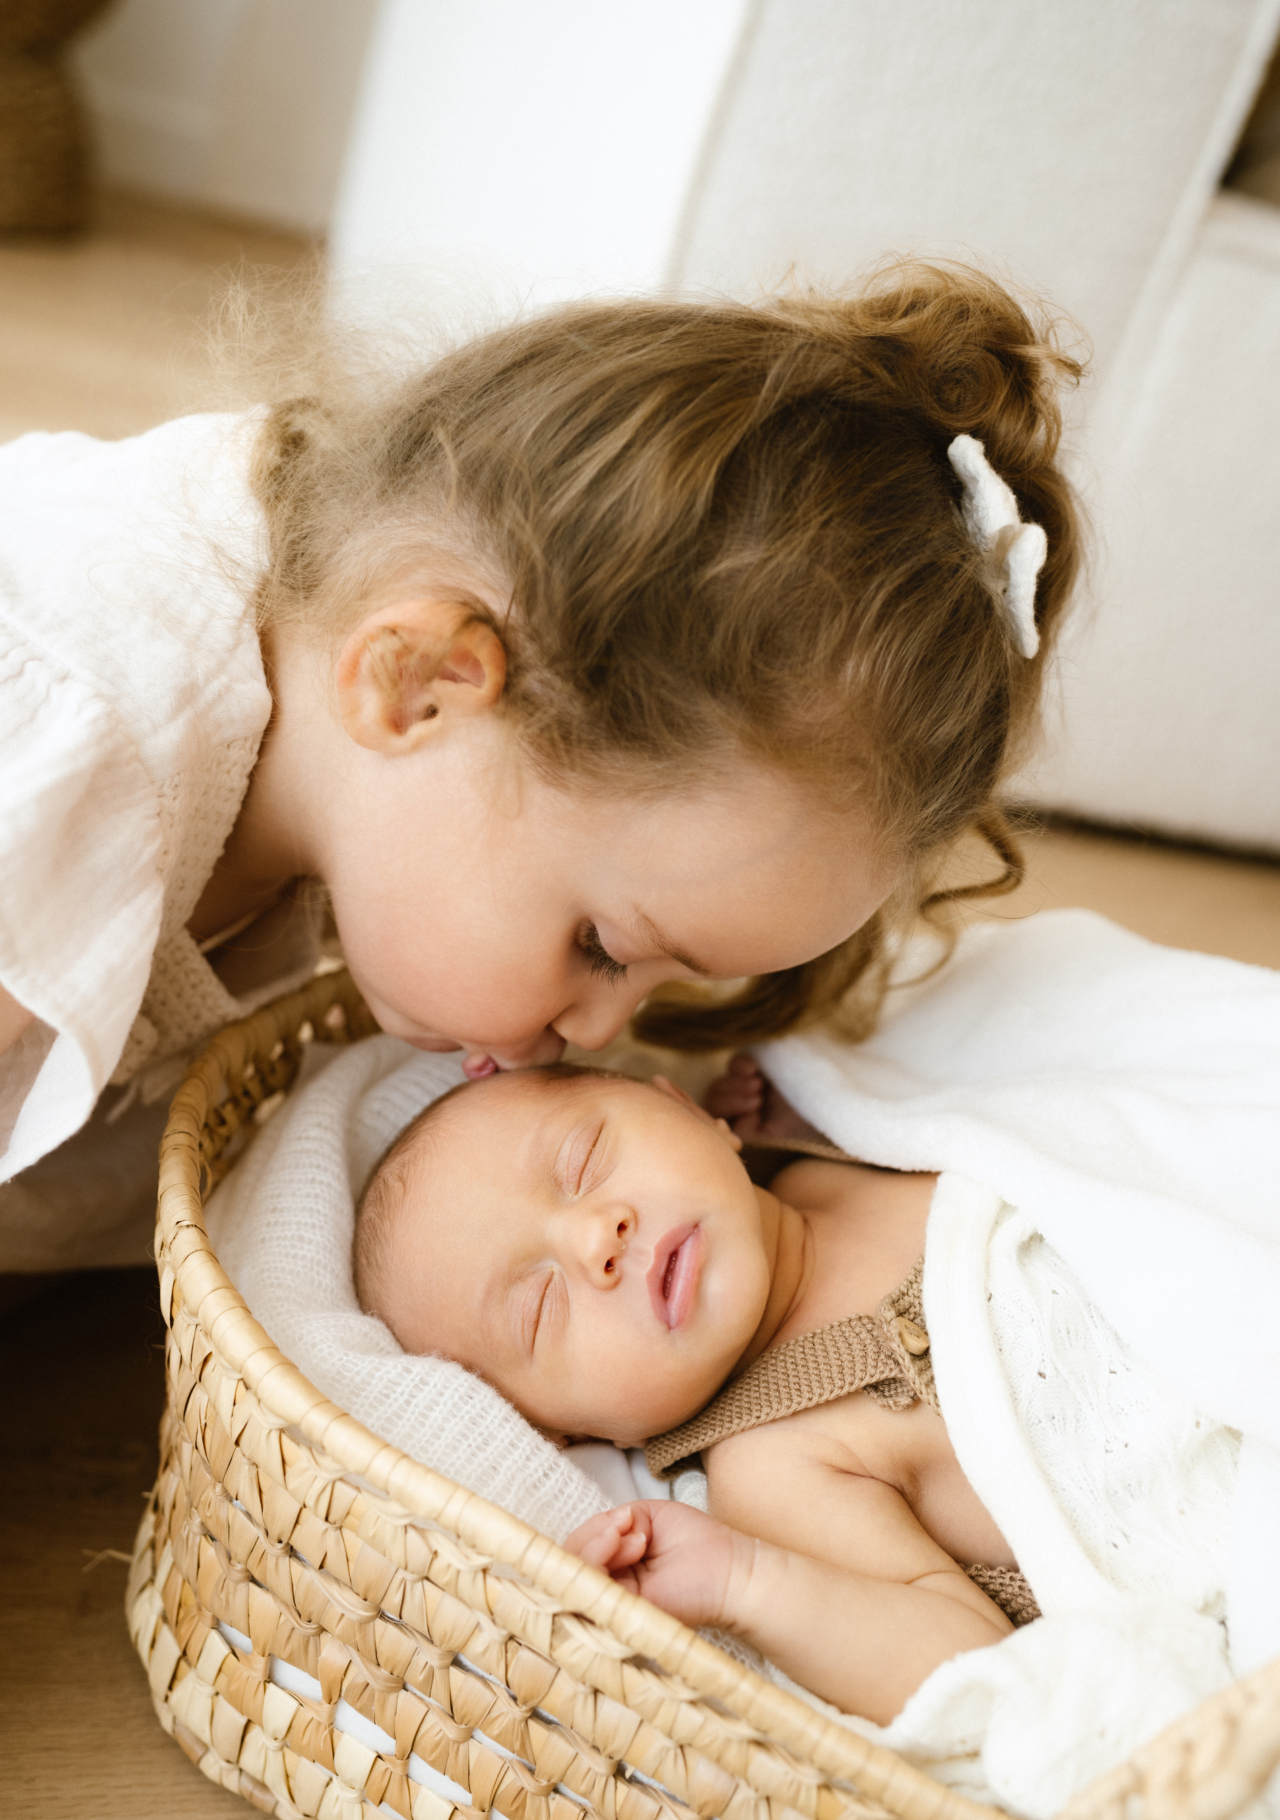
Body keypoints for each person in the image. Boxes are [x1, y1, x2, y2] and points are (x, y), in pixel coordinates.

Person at [0, 263, 1081, 1273]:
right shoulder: (81, 736)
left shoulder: (378, 781)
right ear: (417, 684)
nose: (597, 1033)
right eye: (602, 949)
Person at [354, 1061, 1039, 1725]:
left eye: (584, 1160)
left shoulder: (851, 1146)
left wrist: (809, 1101)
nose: (597, 1236)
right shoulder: (776, 1466)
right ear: (588, 1434)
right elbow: (978, 1673)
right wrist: (743, 1580)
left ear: (688, 1108)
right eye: (542, 1305)